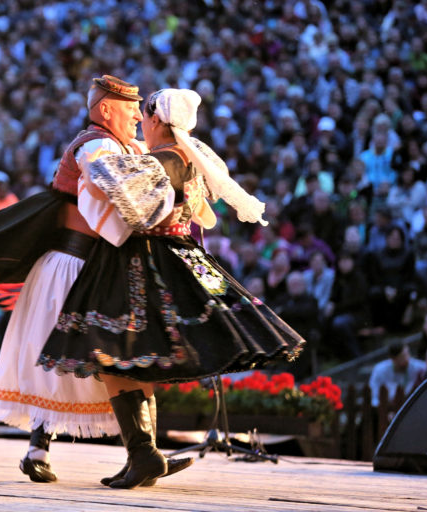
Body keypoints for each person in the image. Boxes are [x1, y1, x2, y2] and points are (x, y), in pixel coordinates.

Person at [0, 76, 191, 484]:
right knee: (68, 358)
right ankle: (51, 451)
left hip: (99, 265)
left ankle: (142, 454)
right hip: (71, 264)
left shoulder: (124, 146)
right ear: (107, 109)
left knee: (120, 356)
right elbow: (125, 197)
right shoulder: (94, 145)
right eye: (130, 107)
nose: (136, 114)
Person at [39, 89, 304, 488]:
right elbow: (197, 211)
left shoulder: (162, 159)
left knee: (113, 354)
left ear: (157, 120)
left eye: (144, 115)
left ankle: (143, 454)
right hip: (175, 253)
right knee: (139, 355)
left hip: (143, 258)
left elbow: (129, 203)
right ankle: (142, 456)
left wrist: (99, 163)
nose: (140, 123)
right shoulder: (188, 156)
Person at [368, 342, 427, 407]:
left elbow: (426, 367)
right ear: (393, 359)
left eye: (408, 354)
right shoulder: (380, 370)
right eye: (403, 356)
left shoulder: (417, 367)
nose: (407, 359)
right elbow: (374, 396)